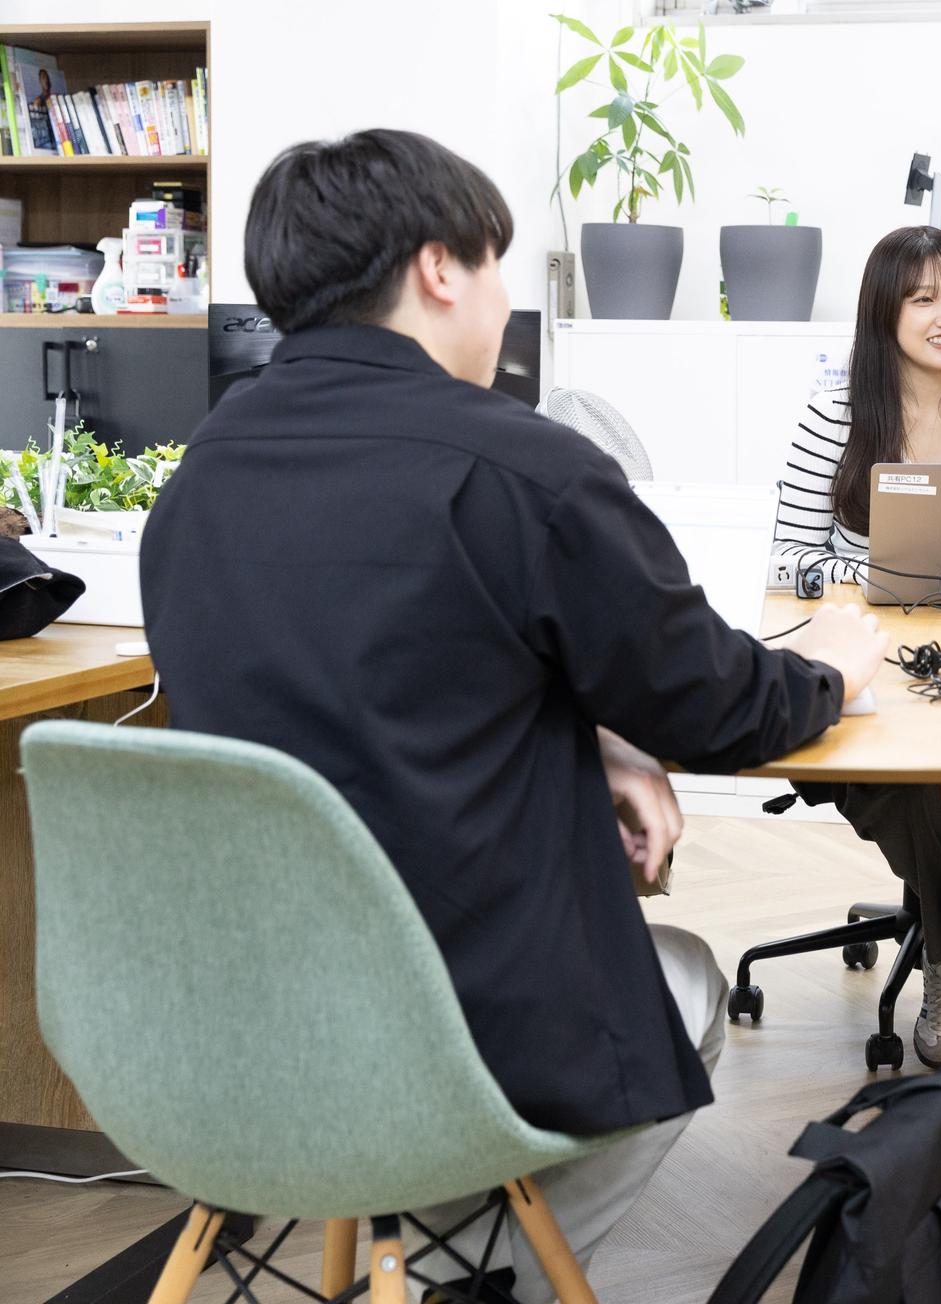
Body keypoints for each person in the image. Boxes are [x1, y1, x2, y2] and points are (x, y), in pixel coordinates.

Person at [139, 129, 889, 1304]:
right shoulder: (522, 469)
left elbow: (375, 685)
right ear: (440, 267)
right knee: (684, 981)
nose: (501, 303)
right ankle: (472, 1273)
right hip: (450, 1022)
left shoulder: (197, 481)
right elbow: (718, 704)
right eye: (496, 266)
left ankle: (415, 1239)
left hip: (235, 1020)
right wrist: (833, 668)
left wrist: (599, 738)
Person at [769, 225, 941, 1065]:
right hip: (871, 670)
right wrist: (876, 570)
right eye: (923, 298)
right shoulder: (837, 417)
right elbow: (785, 559)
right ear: (884, 313)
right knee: (928, 786)